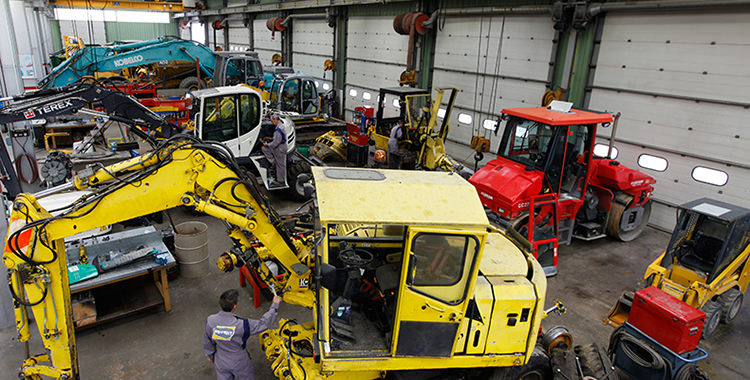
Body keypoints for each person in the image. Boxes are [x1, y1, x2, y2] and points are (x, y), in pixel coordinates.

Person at [203, 289, 283, 380]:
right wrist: (275, 305)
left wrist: (210, 355)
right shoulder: (242, 325)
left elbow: (207, 340)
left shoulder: (210, 320)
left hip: (221, 360)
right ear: (235, 306)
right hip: (239, 362)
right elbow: (263, 323)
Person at [262, 114, 289, 187]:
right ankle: (273, 162)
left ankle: (281, 181)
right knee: (280, 164)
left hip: (280, 148)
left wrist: (267, 145)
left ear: (276, 119)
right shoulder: (281, 126)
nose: (272, 122)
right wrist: (269, 138)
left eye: (272, 120)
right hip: (281, 147)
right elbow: (277, 138)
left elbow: (276, 143)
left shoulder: (278, 129)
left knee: (280, 165)